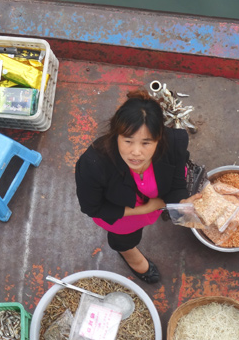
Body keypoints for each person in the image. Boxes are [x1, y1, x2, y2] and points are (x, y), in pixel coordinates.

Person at [75, 90, 196, 283]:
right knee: (125, 237)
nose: (136, 153)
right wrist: (147, 208)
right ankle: (128, 252)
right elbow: (93, 208)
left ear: (159, 138)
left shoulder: (173, 144)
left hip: (157, 204)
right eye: (128, 141)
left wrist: (183, 202)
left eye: (146, 143)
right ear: (116, 136)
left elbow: (176, 184)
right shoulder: (94, 164)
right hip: (123, 214)